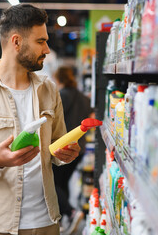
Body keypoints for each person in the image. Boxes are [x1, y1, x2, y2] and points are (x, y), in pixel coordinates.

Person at [0, 4, 80, 235]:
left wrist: (65, 154)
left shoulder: (48, 89)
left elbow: (56, 147)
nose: (47, 49)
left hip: (46, 222)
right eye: (41, 41)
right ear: (16, 42)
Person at [52, 66, 94, 234]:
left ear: (59, 79)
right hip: (79, 149)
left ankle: (70, 212)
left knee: (53, 183)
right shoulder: (83, 97)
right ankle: (63, 217)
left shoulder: (63, 95)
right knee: (62, 182)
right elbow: (90, 115)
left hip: (63, 147)